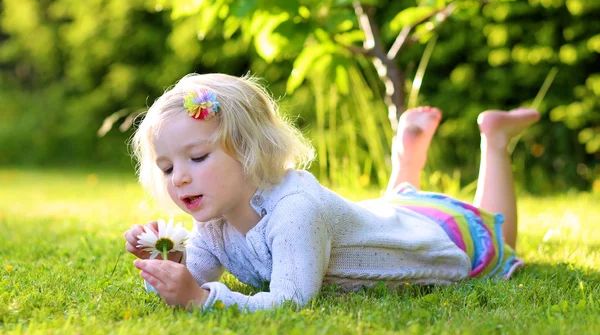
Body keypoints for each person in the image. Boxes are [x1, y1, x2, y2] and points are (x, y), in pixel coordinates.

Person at [124, 73, 540, 312]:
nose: (178, 177)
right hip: (384, 218)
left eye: (197, 157)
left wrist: (202, 301)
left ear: (251, 151)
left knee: (496, 240)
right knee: (387, 212)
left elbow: (289, 301)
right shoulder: (215, 219)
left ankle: (495, 139)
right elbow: (188, 278)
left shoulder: (294, 213)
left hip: (434, 238)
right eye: (167, 167)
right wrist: (166, 260)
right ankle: (406, 157)